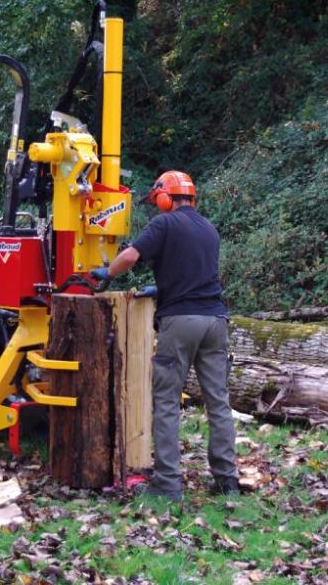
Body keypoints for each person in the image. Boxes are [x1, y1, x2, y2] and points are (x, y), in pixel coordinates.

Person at [90, 170, 238, 501]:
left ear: (165, 197)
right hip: (216, 320)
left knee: (168, 402)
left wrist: (107, 272)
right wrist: (162, 287)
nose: (158, 208)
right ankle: (227, 480)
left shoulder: (164, 224)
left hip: (181, 323)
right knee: (218, 402)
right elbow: (195, 272)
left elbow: (130, 256)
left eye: (158, 201)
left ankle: (168, 484)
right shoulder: (209, 229)